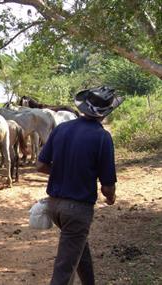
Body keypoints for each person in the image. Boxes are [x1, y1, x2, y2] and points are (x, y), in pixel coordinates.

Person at [36, 86, 124, 285]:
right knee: (63, 271)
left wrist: (63, 172)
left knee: (78, 248)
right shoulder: (102, 137)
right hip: (77, 210)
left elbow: (40, 165)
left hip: (54, 206)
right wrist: (110, 198)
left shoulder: (61, 129)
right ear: (105, 113)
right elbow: (107, 186)